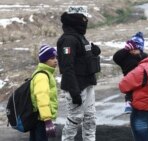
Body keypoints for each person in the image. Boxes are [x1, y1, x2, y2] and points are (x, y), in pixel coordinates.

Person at [57, 6, 101, 141]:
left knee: (90, 118)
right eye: (84, 18)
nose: (86, 21)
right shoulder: (68, 40)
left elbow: (82, 59)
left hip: (87, 84)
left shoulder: (79, 36)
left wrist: (93, 52)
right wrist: (74, 92)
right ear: (77, 19)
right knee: (75, 118)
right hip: (76, 87)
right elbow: (67, 67)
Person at [113, 32, 148, 114]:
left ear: (140, 49)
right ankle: (128, 103)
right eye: (131, 49)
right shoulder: (125, 57)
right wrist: (126, 49)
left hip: (143, 82)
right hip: (129, 80)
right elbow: (116, 57)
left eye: (135, 49)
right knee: (130, 91)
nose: (133, 51)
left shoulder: (144, 56)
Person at [30, 44, 58, 141]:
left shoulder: (44, 74)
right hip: (40, 119)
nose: (55, 60)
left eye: (56, 57)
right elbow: (42, 98)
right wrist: (47, 120)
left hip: (38, 117)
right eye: (51, 58)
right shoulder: (42, 76)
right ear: (44, 60)